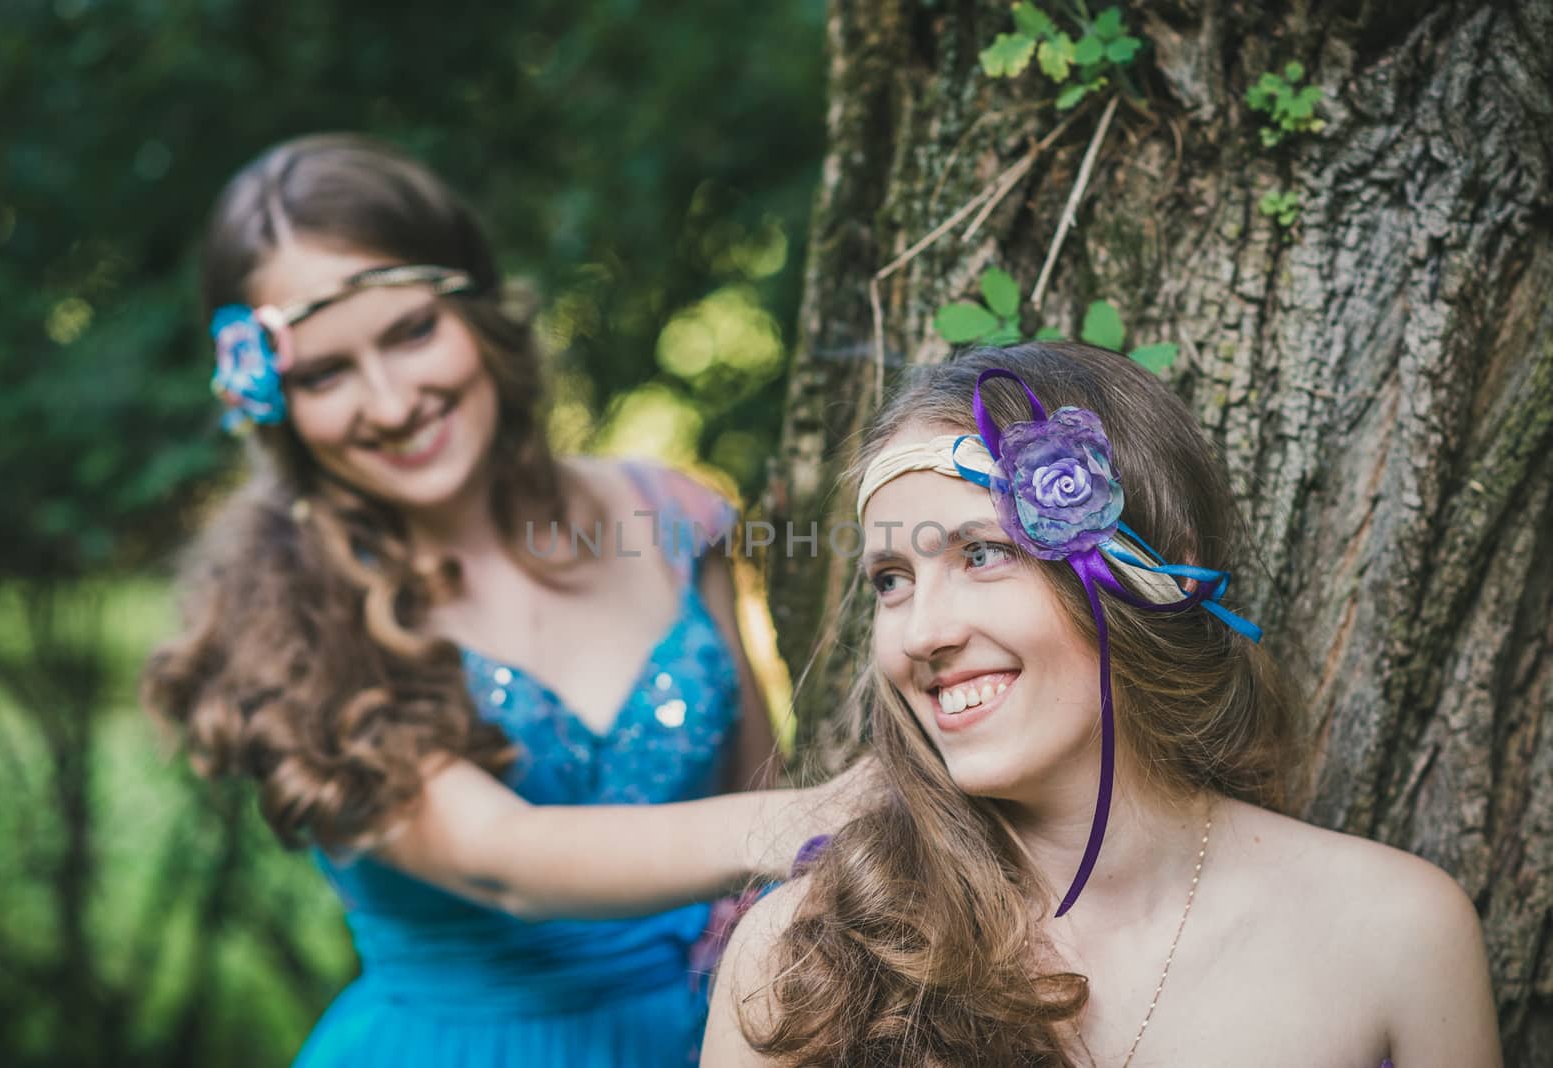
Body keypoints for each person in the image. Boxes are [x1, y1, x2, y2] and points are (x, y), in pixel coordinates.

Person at [142, 132, 836, 1067]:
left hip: (721, 1035)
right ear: (272, 400)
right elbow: (502, 858)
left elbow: (771, 783)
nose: (389, 403)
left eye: (411, 332)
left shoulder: (673, 517)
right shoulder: (288, 612)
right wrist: (829, 816)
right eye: (324, 374)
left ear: (478, 309)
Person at [703, 343, 1500, 1067]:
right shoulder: (797, 962)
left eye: (983, 553)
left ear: (1153, 575)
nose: (921, 633)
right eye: (891, 581)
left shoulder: (1398, 935)